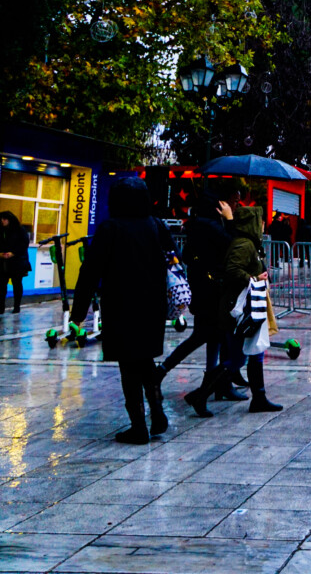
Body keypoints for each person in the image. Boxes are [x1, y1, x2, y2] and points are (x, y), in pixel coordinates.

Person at [70, 178, 174, 444]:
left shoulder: (110, 228)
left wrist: (79, 310)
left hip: (122, 304)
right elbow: (173, 257)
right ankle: (158, 412)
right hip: (152, 305)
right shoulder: (156, 225)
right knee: (145, 359)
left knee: (129, 365)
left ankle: (139, 425)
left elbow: (90, 270)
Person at [156, 190, 241, 416]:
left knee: (212, 337)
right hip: (211, 292)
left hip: (201, 289)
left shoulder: (194, 225)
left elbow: (186, 256)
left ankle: (213, 386)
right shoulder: (212, 226)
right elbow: (232, 245)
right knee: (208, 337)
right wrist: (230, 220)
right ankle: (167, 374)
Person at [223, 206, 283, 413]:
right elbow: (232, 269)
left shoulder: (251, 244)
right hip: (246, 305)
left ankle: (259, 397)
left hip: (252, 304)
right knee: (242, 356)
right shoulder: (244, 244)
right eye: (260, 221)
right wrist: (254, 278)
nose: (263, 225)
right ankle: (203, 392)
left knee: (254, 352)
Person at [0, 211, 31, 314]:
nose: (2, 221)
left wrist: (13, 253)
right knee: (2, 284)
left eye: (4, 219)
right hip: (3, 262)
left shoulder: (19, 230)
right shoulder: (2, 230)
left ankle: (17, 306)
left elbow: (24, 244)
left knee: (17, 284)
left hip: (17, 262)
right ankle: (1, 306)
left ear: (10, 219)